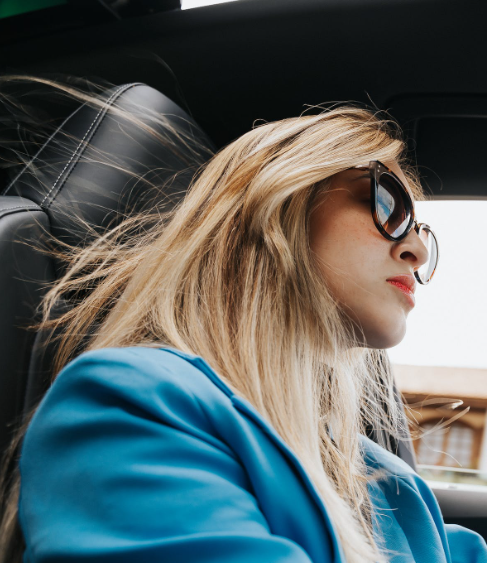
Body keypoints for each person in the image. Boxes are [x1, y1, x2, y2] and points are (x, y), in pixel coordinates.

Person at [0, 90, 485, 563]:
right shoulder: (134, 405)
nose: (418, 251)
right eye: (388, 205)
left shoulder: (389, 482)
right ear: (276, 203)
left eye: (422, 233)